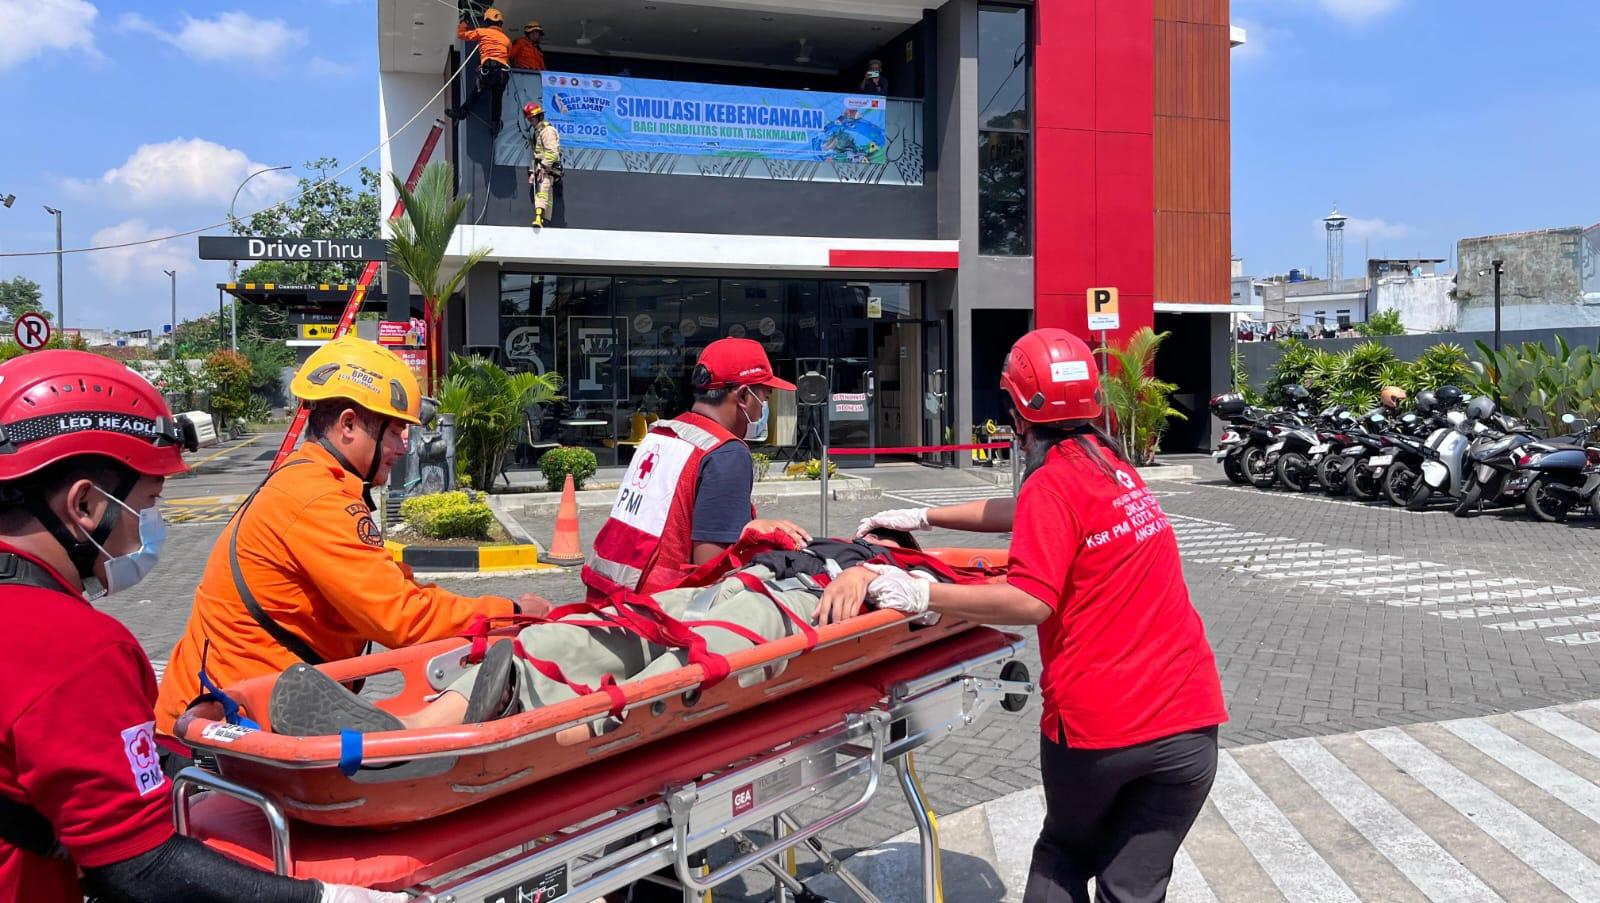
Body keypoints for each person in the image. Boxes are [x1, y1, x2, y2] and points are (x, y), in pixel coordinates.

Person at [0, 351, 402, 903]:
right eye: (148, 503)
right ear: (87, 504)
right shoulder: (74, 650)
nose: (152, 526)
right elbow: (138, 865)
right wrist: (324, 898)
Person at [855, 328, 1228, 903]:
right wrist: (924, 515)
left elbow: (1032, 599)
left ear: (1016, 412)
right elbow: (1029, 510)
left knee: (1064, 854)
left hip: (1101, 729)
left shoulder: (1054, 481)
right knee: (1132, 886)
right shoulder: (1111, 464)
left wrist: (924, 594)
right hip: (1190, 725)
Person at [155, 336, 543, 736]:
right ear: (348, 425)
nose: (403, 445)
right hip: (227, 732)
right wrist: (512, 610)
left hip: (238, 713)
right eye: (394, 431)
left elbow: (390, 587)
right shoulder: (317, 497)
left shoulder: (314, 481)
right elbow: (401, 617)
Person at [266, 529, 944, 736]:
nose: (868, 531)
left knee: (688, 675)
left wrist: (872, 570)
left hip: (785, 608)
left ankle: (565, 734)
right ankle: (406, 726)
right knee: (562, 635)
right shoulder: (817, 538)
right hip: (715, 593)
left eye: (879, 535)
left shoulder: (886, 562)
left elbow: (929, 599)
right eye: (870, 534)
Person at [584, 337, 811, 600]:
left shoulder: (664, 435)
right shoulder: (726, 453)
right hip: (661, 613)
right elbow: (712, 569)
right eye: (765, 397)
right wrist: (754, 533)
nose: (764, 410)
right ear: (744, 396)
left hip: (608, 597)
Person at [451, 7, 513, 132]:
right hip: (502, 74)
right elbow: (506, 56)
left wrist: (463, 22)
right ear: (500, 24)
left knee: (476, 93)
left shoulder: (483, 32)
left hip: (489, 70)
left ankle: (462, 112)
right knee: (497, 98)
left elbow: (462, 35)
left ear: (487, 22)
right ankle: (495, 124)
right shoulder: (507, 40)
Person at [524, 102, 561, 228]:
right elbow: (537, 155)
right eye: (529, 119)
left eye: (532, 119)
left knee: (543, 189)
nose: (530, 122)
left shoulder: (547, 131)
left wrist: (544, 167)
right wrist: (533, 172)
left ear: (539, 117)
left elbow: (553, 151)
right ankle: (545, 220)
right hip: (541, 168)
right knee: (543, 191)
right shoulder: (537, 132)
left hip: (549, 168)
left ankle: (539, 219)